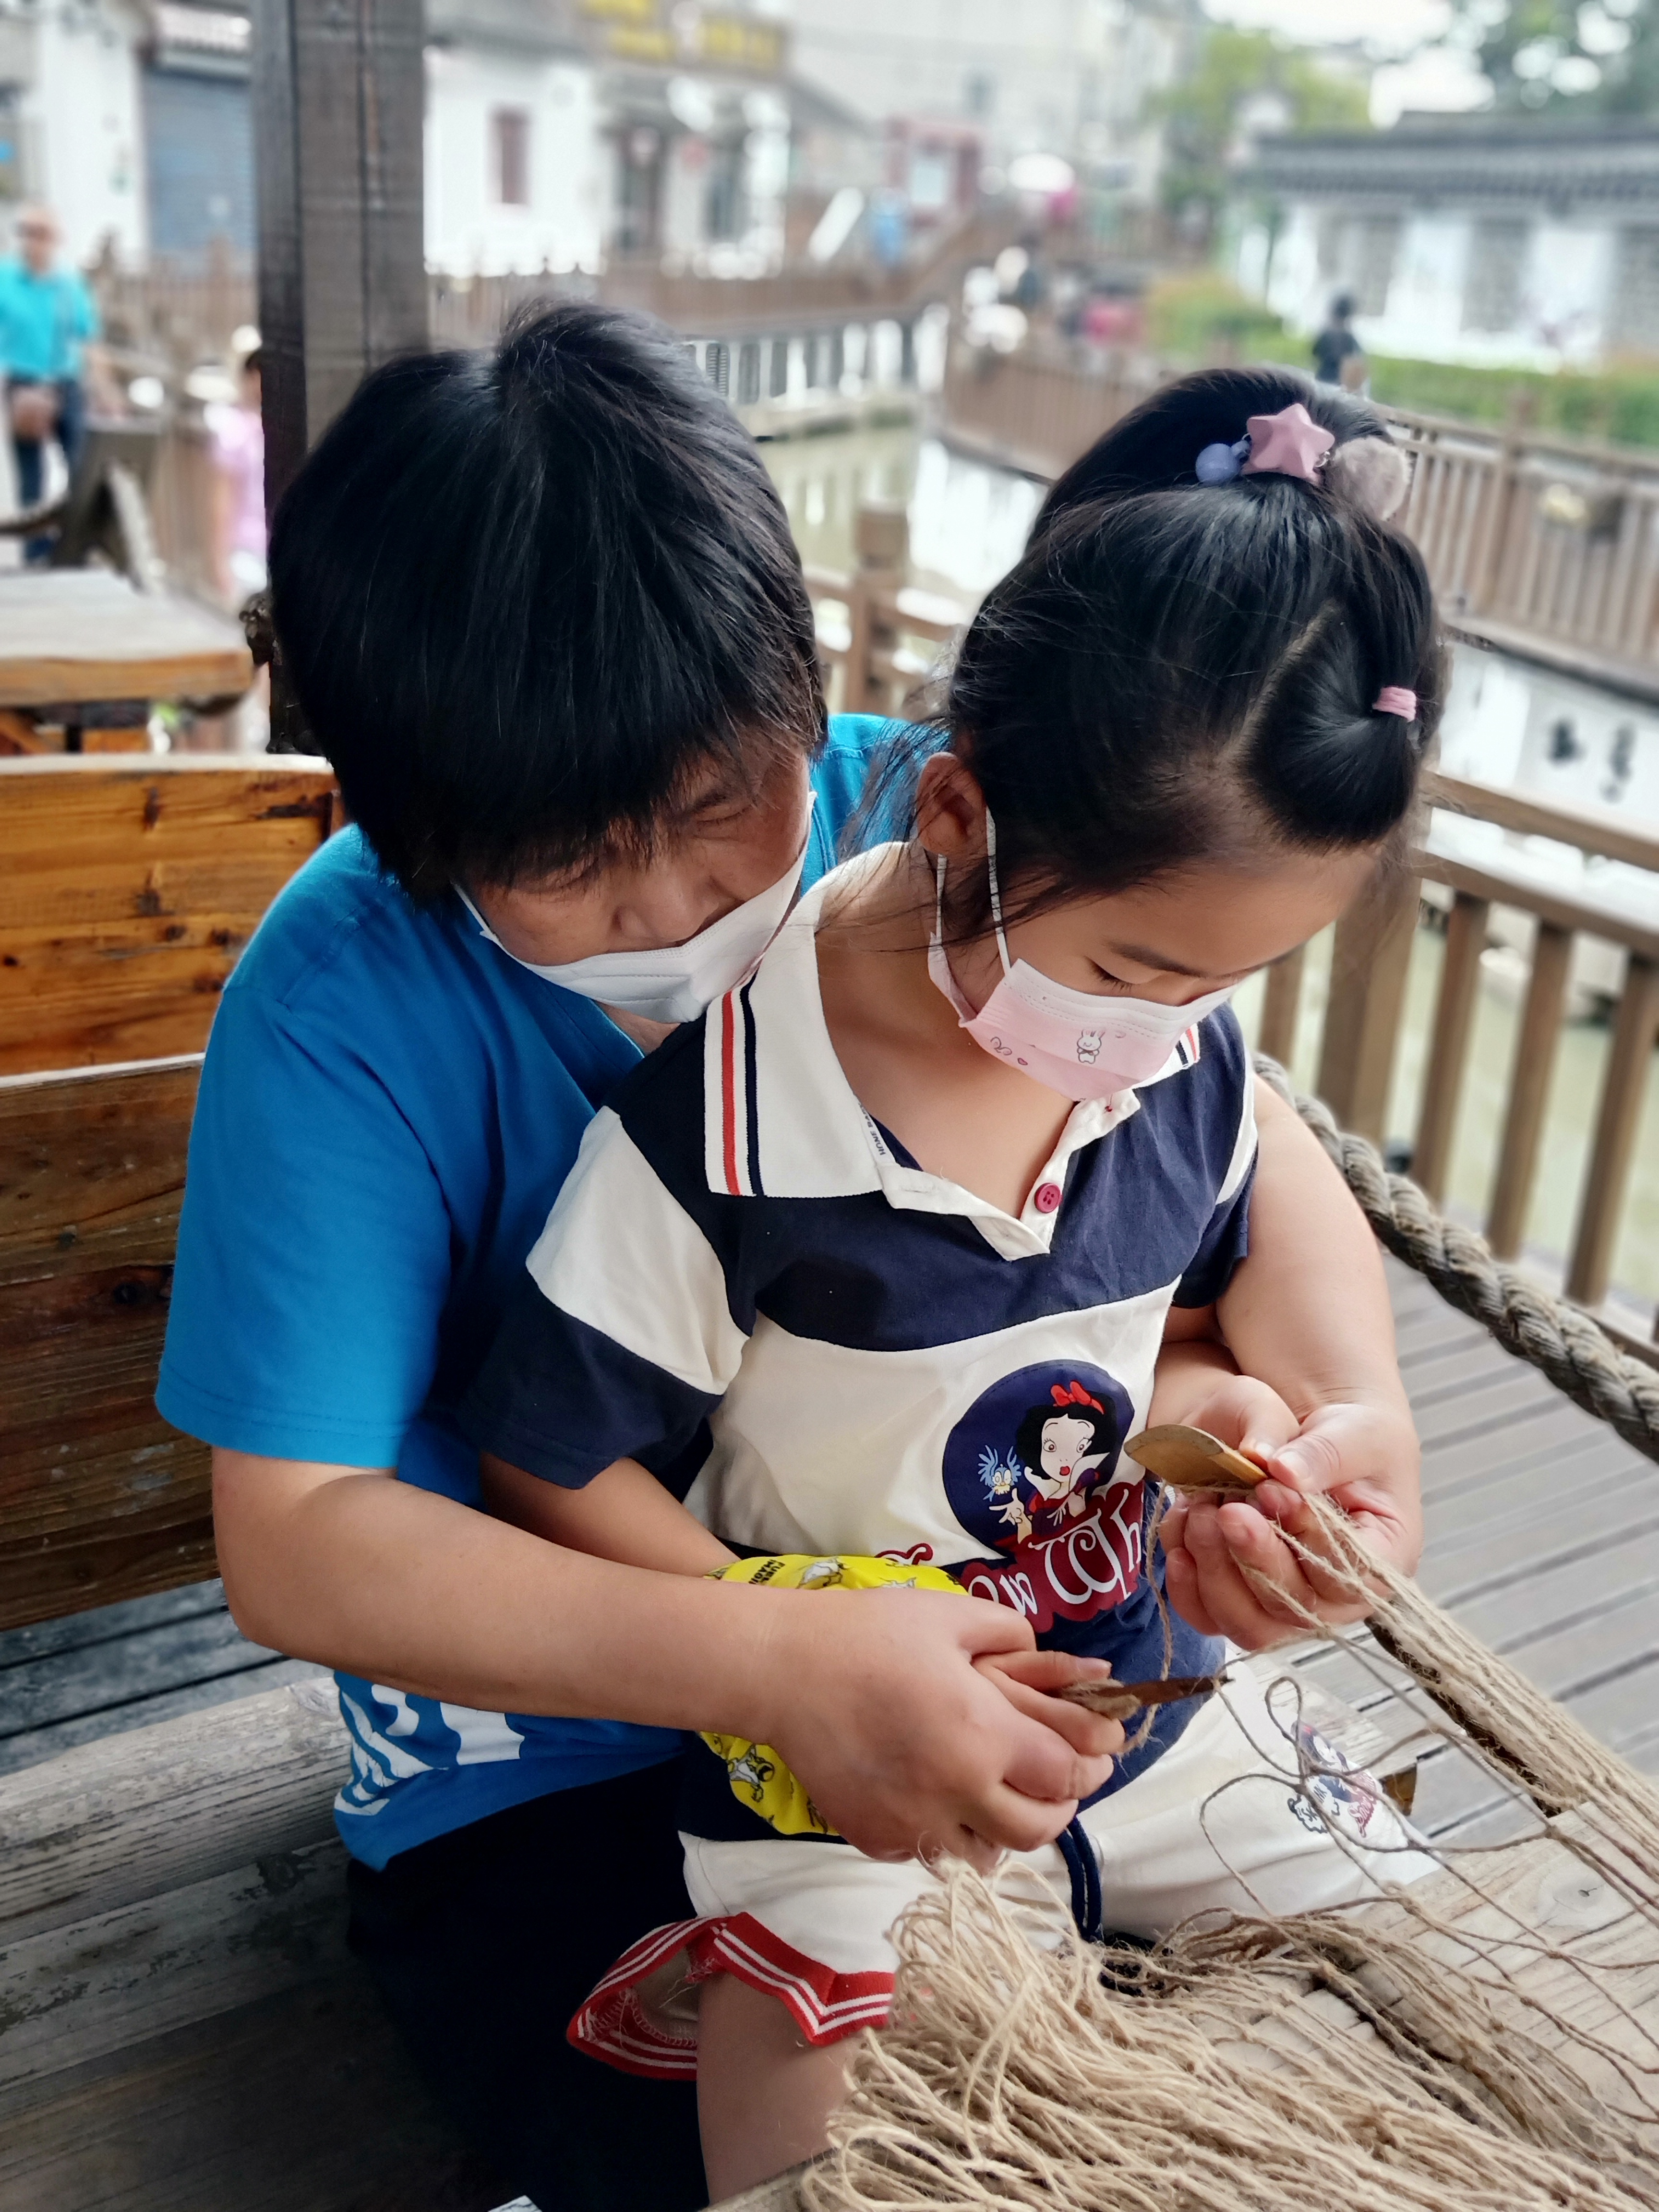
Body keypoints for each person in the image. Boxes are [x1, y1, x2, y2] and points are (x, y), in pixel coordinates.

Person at [157, 308, 1420, 2211]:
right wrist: (776, 1656)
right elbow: (305, 1536)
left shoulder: (938, 825)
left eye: (719, 803)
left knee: (1384, 1998)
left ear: (803, 682)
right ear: (402, 822)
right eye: (561, 860)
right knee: (860, 2153)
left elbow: (1241, 1122)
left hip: (1043, 1635)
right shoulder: (340, 1003)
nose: (676, 900)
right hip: (563, 1747)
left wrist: (1329, 1412)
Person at [0, 204, 100, 553]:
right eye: (27, 233)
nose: (34, 242)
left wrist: (104, 391)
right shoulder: (6, 280)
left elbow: (88, 337)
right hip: (23, 383)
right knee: (31, 477)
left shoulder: (69, 286)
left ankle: (77, 545)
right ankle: (36, 552)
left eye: (41, 234)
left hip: (65, 384)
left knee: (79, 468)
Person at [206, 332, 266, 606]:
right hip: (246, 553)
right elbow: (223, 497)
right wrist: (220, 560)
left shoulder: (284, 431)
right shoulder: (235, 429)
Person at [1311, 291, 1362, 389]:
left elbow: (1315, 353)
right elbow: (1354, 361)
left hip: (1321, 379)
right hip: (1338, 383)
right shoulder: (1350, 337)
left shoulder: (1326, 333)